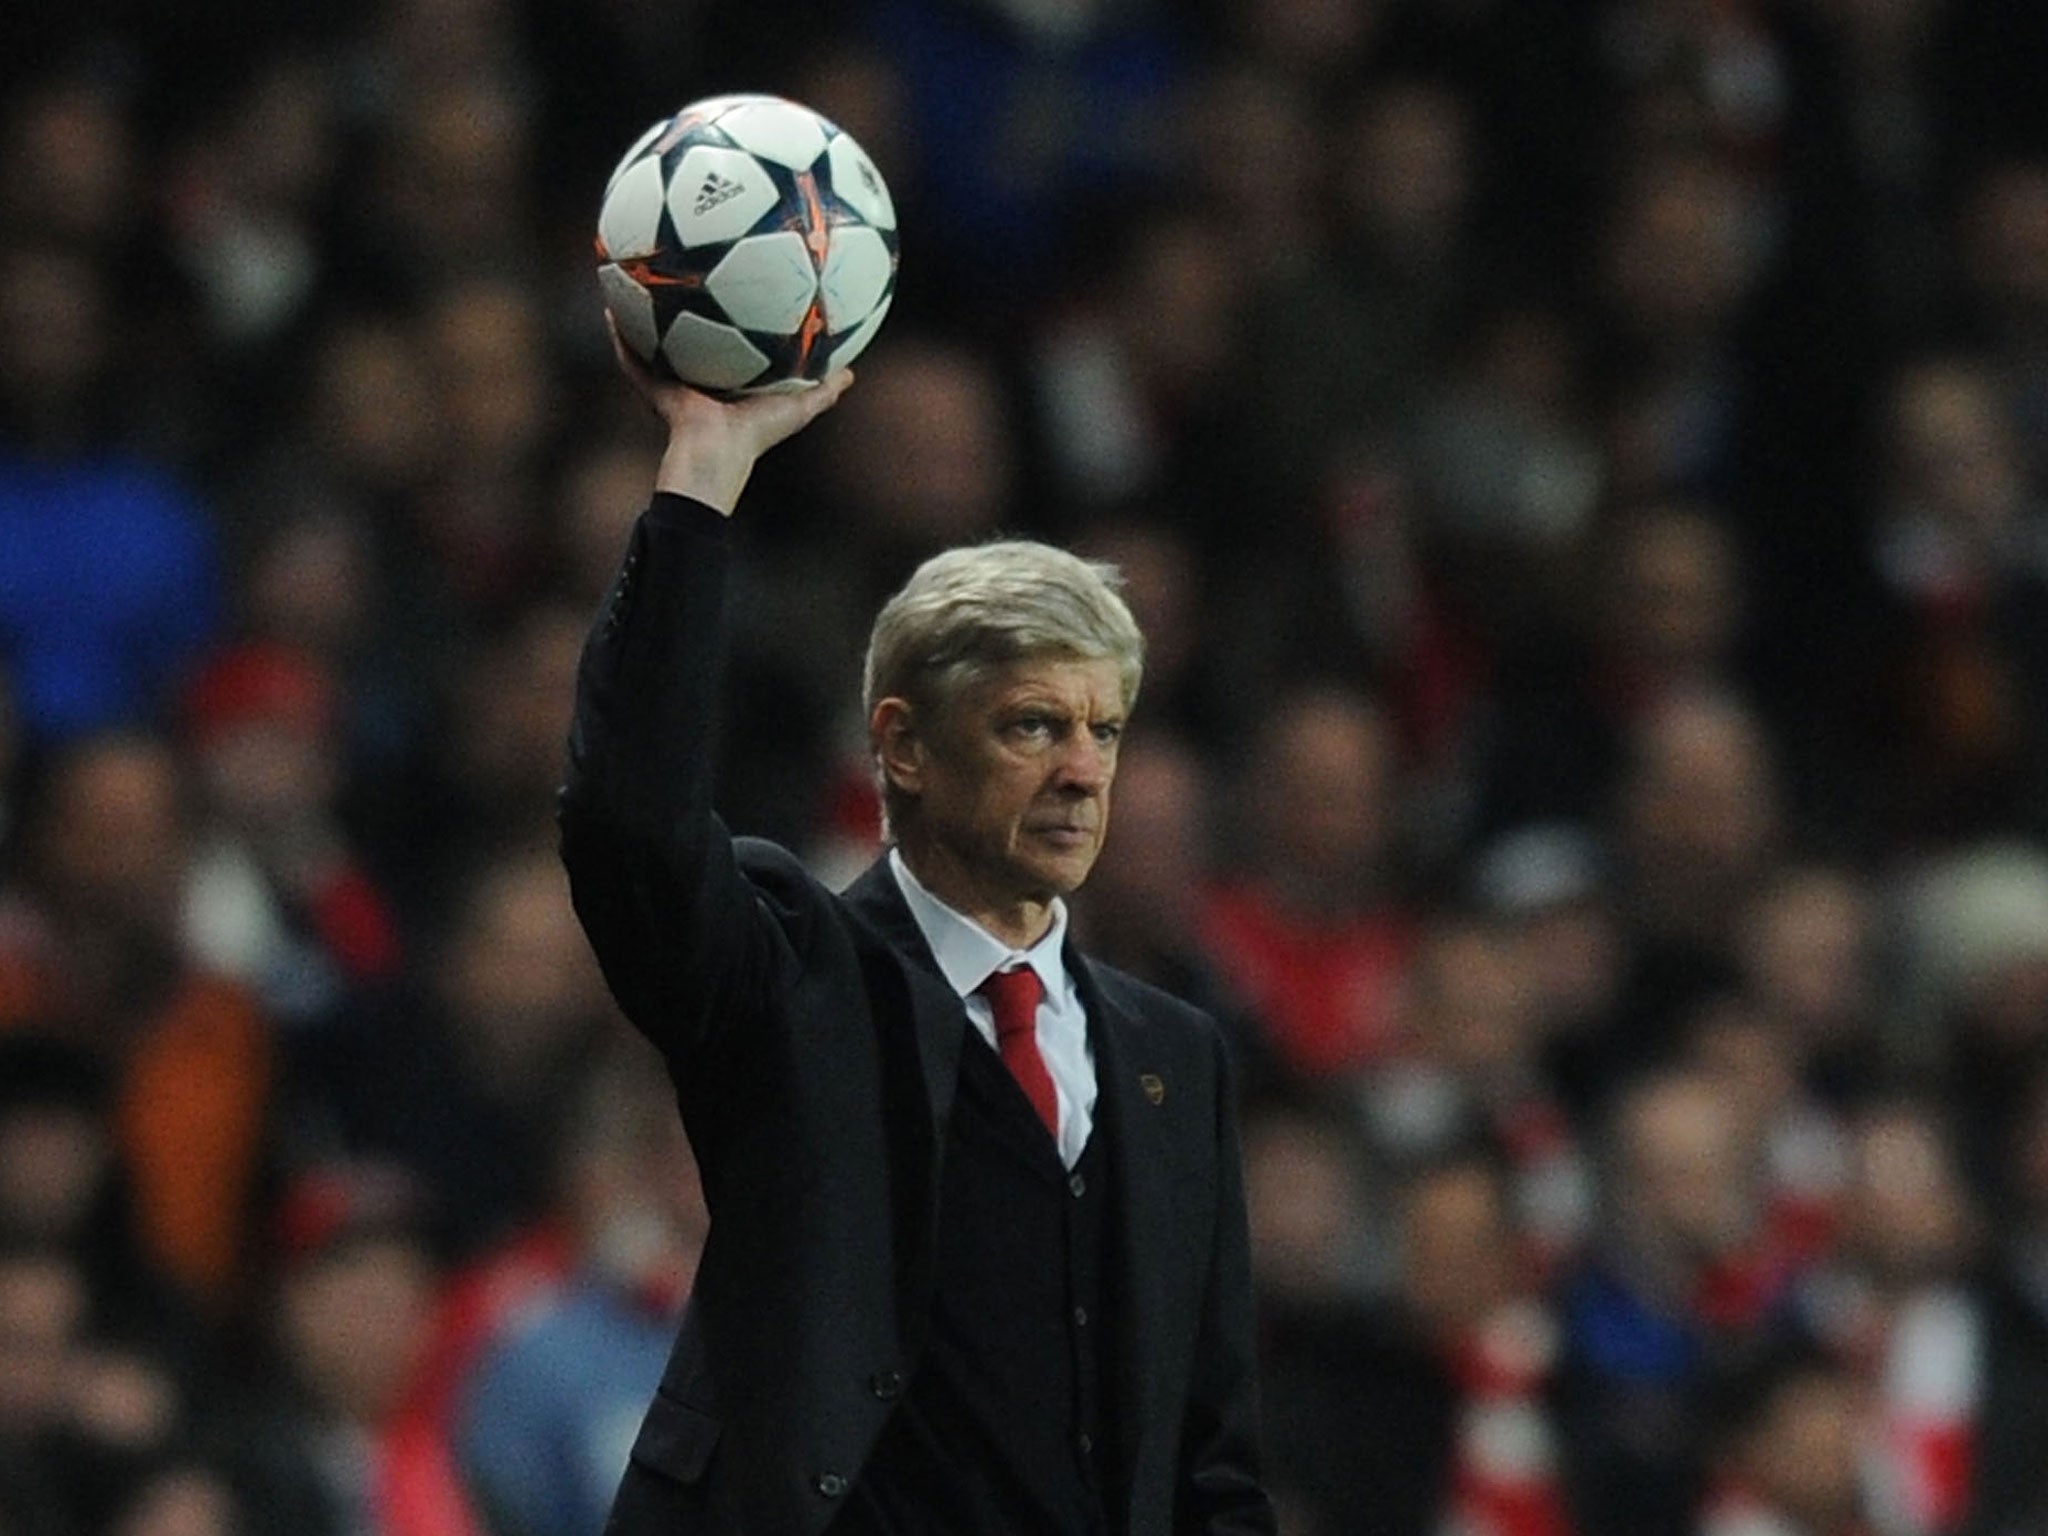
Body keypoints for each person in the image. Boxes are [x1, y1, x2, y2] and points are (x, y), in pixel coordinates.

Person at [556, 328, 1275, 1536]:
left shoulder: (1173, 1058)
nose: (1081, 773)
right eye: (1030, 728)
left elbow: (1207, 1464)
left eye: (1103, 731)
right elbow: (630, 820)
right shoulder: (791, 978)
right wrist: (704, 467)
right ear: (901, 745)